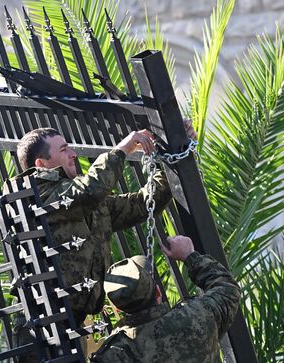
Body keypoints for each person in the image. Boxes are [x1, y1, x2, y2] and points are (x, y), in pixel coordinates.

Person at [12, 122, 196, 361]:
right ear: (41, 164)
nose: (73, 153)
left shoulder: (85, 201)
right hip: (39, 325)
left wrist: (175, 155)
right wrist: (122, 150)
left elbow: (143, 204)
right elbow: (89, 190)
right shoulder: (37, 196)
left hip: (71, 320)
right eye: (64, 149)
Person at [90, 235, 241, 363]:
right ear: (158, 292)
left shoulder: (116, 353)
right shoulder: (197, 315)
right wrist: (189, 255)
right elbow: (228, 289)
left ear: (117, 309)